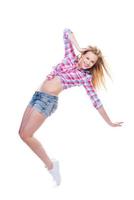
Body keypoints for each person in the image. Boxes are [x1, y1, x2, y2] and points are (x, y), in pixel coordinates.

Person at [18, 28, 123, 186]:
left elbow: (96, 102)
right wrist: (79, 47)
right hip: (37, 95)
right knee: (21, 133)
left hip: (47, 101)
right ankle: (51, 164)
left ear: (94, 65)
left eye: (91, 62)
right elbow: (66, 31)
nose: (88, 62)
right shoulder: (70, 57)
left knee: (27, 135)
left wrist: (109, 122)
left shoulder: (85, 77)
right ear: (83, 54)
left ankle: (52, 166)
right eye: (87, 58)